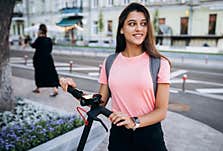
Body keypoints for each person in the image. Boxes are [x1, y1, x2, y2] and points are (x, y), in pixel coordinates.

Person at [60, 2, 170, 151]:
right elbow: (99, 103)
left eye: (143, 24)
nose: (139, 28)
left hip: (149, 136)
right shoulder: (110, 62)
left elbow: (161, 111)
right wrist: (73, 90)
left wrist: (134, 121)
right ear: (121, 30)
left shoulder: (159, 63)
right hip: (119, 137)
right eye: (132, 24)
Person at [30, 24, 59, 97]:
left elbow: (33, 45)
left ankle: (38, 88)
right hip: (48, 59)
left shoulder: (39, 39)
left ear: (40, 31)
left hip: (39, 60)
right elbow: (50, 49)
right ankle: (55, 89)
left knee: (39, 74)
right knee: (51, 74)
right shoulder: (49, 40)